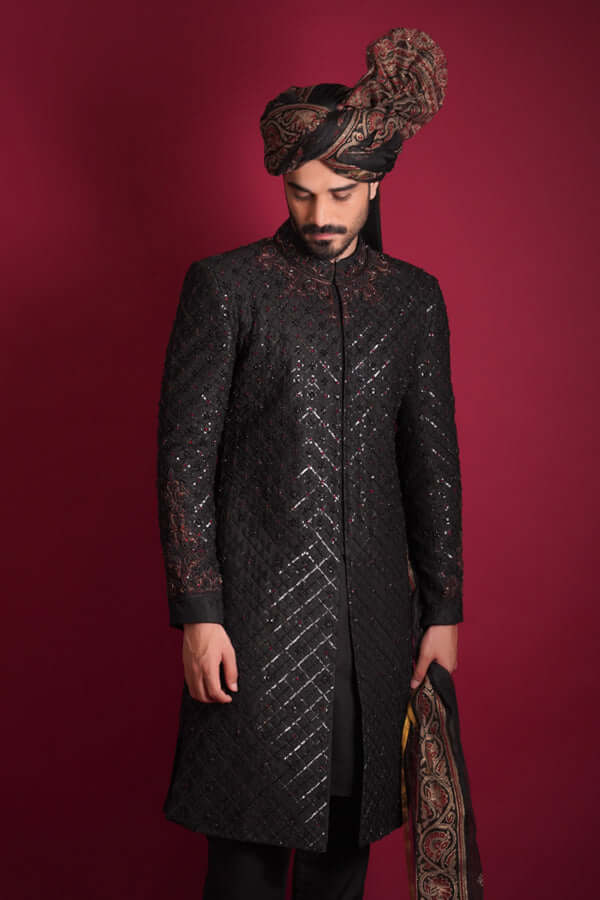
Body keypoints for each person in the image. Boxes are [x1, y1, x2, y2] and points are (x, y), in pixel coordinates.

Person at [156, 26, 464, 900]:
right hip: (252, 621)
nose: (320, 216)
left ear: (375, 183)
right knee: (245, 861)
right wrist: (199, 611)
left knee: (342, 852)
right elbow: (185, 458)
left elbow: (432, 463)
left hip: (372, 624)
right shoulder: (228, 286)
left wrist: (442, 608)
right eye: (300, 194)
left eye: (341, 193)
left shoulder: (412, 301)